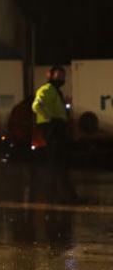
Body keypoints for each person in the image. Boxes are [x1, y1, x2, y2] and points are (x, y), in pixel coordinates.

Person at [32, 66, 80, 203]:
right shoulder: (47, 90)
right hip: (53, 130)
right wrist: (49, 120)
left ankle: (61, 196)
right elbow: (36, 106)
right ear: (50, 76)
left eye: (63, 76)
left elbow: (60, 111)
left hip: (57, 129)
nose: (61, 79)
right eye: (58, 75)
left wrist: (67, 108)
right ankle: (61, 196)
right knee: (57, 164)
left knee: (58, 164)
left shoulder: (55, 92)